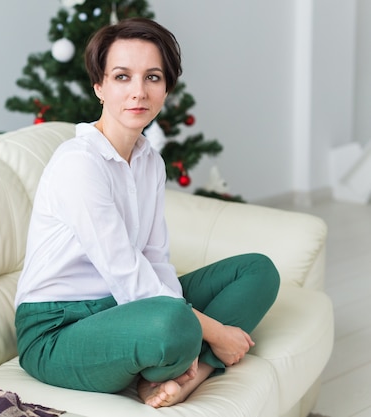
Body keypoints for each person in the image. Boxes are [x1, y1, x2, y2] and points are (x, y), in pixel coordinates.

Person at [14, 17, 280, 408]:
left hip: (126, 307)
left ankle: (191, 375)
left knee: (257, 271)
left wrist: (190, 322)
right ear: (99, 86)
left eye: (152, 77)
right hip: (56, 330)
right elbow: (125, 272)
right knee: (174, 325)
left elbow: (154, 260)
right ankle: (185, 356)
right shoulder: (79, 163)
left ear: (166, 88)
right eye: (122, 77)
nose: (138, 92)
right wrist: (217, 332)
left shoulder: (149, 161)